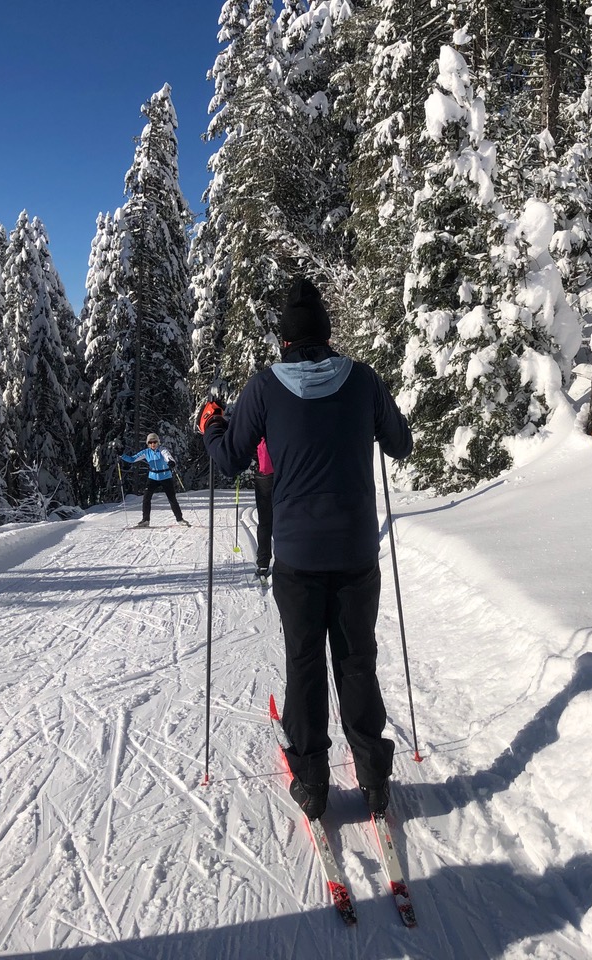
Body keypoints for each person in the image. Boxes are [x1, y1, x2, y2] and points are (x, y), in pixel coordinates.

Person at [199, 277, 412, 820]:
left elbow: (229, 459)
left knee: (305, 662)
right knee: (357, 659)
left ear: (286, 342)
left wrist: (212, 425)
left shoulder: (265, 387)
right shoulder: (362, 379)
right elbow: (401, 444)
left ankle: (313, 784)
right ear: (327, 335)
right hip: (357, 550)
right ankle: (373, 778)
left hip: (296, 555)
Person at [120, 433, 190, 528]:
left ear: (158, 442)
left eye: (155, 442)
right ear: (147, 443)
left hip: (165, 477)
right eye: (150, 442)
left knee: (172, 499)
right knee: (146, 498)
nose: (153, 444)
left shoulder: (162, 450)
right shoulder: (146, 452)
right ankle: (145, 520)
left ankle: (180, 519)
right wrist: (121, 455)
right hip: (152, 478)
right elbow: (132, 459)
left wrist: (171, 462)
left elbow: (168, 456)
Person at [254, 438, 274, 579]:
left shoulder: (259, 432)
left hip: (265, 478)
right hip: (284, 477)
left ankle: (263, 563)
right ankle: (287, 561)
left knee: (265, 523)